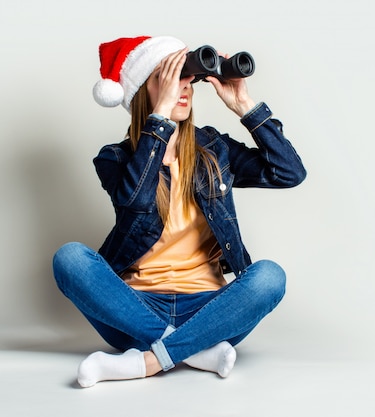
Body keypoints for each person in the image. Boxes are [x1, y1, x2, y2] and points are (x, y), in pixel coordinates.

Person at [52, 35, 306, 388]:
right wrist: (160, 121)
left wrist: (244, 105)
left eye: (188, 78)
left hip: (210, 311)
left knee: (269, 277)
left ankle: (150, 360)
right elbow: (136, 203)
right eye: (169, 78)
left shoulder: (213, 149)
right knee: (70, 259)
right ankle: (194, 351)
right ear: (143, 91)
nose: (183, 88)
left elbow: (289, 173)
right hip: (134, 310)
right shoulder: (114, 158)